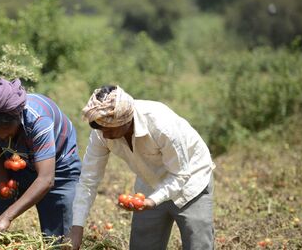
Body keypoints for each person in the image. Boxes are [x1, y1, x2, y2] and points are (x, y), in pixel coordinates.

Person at [69, 85, 216, 250]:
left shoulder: (161, 124)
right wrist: (77, 228)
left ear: (125, 120)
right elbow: (88, 180)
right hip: (149, 184)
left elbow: (180, 175)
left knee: (198, 244)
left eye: (108, 129)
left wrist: (152, 201)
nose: (104, 135)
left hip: (191, 180)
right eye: (100, 128)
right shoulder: (102, 133)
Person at [0, 77, 81, 237]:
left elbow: (46, 179)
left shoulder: (38, 120)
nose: (4, 138)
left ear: (17, 117)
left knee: (57, 238)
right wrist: (3, 186)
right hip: (15, 163)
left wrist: (6, 217)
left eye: (8, 131)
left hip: (57, 168)